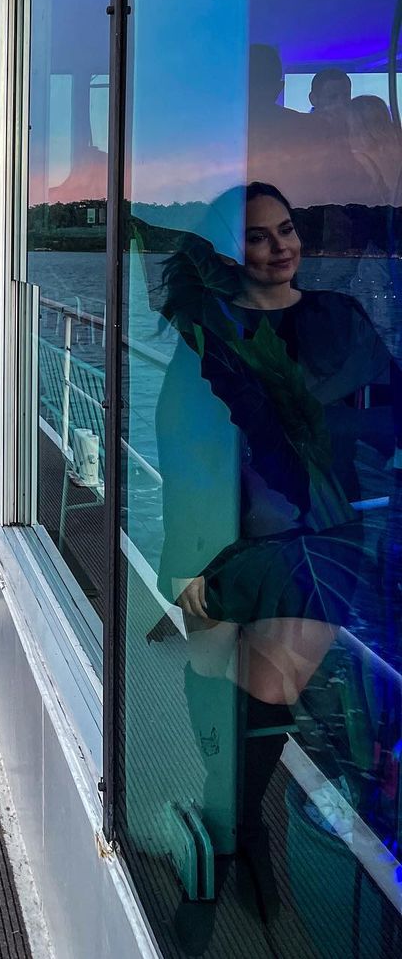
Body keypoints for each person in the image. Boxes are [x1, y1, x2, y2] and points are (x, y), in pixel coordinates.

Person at [152, 182, 401, 930]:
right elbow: (181, 445)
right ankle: (229, 806)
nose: (279, 247)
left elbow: (390, 408)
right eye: (257, 237)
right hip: (221, 537)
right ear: (231, 253)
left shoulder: (338, 318)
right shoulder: (211, 334)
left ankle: (240, 832)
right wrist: (188, 558)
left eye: (287, 229)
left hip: (319, 538)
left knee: (273, 683)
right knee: (210, 669)